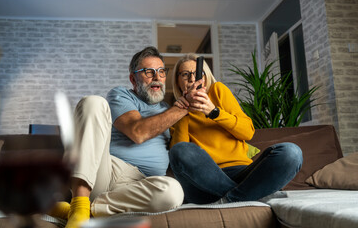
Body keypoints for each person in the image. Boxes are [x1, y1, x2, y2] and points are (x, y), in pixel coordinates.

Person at [49, 47, 188, 228]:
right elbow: (138, 132)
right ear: (133, 78)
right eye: (148, 72)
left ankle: (84, 209)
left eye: (161, 72)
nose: (157, 77)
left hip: (142, 186)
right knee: (93, 102)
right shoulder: (121, 95)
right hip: (107, 173)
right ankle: (80, 202)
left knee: (174, 191)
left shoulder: (170, 110)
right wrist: (181, 109)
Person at [169, 53, 303, 204]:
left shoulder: (218, 91)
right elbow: (178, 159)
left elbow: (247, 133)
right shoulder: (174, 112)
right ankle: (252, 195)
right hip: (204, 181)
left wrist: (214, 112)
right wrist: (184, 111)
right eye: (185, 75)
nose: (192, 79)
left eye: (196, 73)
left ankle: (230, 200)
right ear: (178, 81)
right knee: (179, 150)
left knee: (291, 153)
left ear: (205, 77)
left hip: (241, 172)